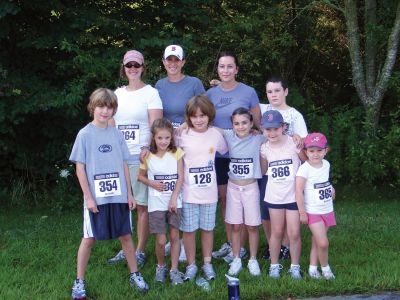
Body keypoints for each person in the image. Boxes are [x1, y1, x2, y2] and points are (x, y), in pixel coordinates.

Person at [69, 88, 149, 299]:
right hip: (96, 197)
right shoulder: (84, 134)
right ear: (92, 107)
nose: (105, 111)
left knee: (126, 235)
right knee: (89, 239)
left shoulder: (116, 133)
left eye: (110, 107)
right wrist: (88, 197)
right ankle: (79, 281)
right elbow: (80, 168)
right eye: (101, 106)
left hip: (119, 195)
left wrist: (130, 194)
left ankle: (135, 274)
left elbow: (124, 163)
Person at [107, 50, 163, 267]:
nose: (132, 69)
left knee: (142, 205)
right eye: (128, 65)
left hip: (141, 156)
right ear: (124, 68)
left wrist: (147, 148)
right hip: (120, 156)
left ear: (143, 67)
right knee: (122, 204)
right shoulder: (117, 94)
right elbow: (109, 122)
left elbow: (155, 125)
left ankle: (139, 250)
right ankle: (126, 249)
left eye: (136, 65)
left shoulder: (151, 93)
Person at [207, 51, 261, 263]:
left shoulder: (248, 92)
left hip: (243, 155)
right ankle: (231, 244)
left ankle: (244, 248)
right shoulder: (210, 94)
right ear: (218, 69)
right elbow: (202, 119)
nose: (226, 70)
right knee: (225, 199)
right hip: (219, 155)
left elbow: (259, 122)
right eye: (222, 66)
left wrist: (283, 137)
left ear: (237, 69)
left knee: (243, 197)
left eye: (230, 66)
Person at [155, 44, 205, 261]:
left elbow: (204, 111)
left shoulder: (194, 83)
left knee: (186, 189)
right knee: (171, 187)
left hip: (190, 141)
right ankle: (172, 239)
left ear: (183, 62)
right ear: (164, 62)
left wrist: (186, 125)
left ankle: (185, 241)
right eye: (169, 60)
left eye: (177, 60)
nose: (173, 63)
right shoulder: (159, 85)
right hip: (168, 143)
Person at [176, 95, 228, 281]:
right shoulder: (182, 135)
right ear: (188, 117)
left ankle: (207, 263)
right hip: (189, 192)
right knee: (189, 230)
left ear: (210, 116)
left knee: (207, 229)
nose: (198, 120)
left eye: (203, 116)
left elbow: (230, 144)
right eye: (194, 116)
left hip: (209, 193)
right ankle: (191, 265)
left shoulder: (215, 134)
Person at [260, 75, 308, 261]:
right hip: (268, 167)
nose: (273, 95)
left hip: (290, 170)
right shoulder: (263, 109)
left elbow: (303, 146)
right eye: (269, 91)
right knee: (267, 211)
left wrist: (297, 138)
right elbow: (242, 99)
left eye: (277, 90)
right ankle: (274, 245)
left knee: (289, 212)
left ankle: (287, 247)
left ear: (286, 91)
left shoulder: (295, 116)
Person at [137, 118, 185, 285]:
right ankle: (160, 266)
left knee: (174, 237)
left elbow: (180, 177)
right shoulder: (148, 156)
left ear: (171, 137)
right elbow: (140, 176)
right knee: (161, 240)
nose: (164, 141)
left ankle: (174, 269)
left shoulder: (177, 153)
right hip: (156, 203)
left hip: (174, 202)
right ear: (153, 138)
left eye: (167, 138)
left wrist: (173, 198)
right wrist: (152, 183)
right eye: (160, 138)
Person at [219, 108, 265, 276]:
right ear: (232, 125)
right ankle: (237, 258)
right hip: (233, 188)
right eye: (236, 123)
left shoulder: (258, 138)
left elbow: (277, 136)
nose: (241, 126)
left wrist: (259, 129)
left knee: (252, 226)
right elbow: (210, 129)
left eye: (244, 123)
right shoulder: (229, 135)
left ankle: (253, 259)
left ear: (251, 123)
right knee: (236, 225)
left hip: (251, 187)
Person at [296, 132, 336, 280]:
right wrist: (302, 213)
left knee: (316, 240)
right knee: (323, 243)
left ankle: (313, 269)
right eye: (311, 151)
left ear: (325, 150)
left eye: (319, 150)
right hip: (313, 211)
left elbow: (324, 180)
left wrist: (330, 188)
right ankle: (326, 269)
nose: (315, 154)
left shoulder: (326, 164)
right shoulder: (304, 169)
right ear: (306, 152)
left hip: (327, 209)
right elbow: (298, 191)